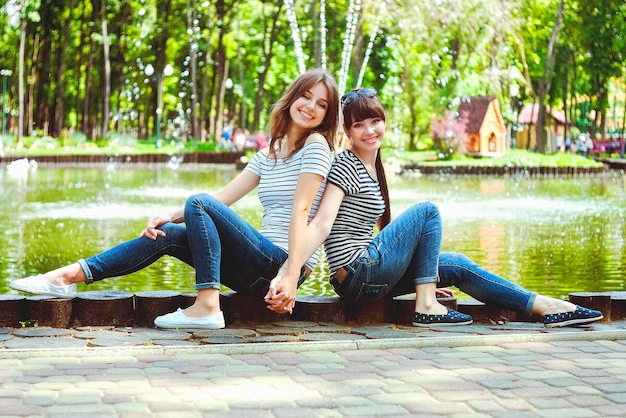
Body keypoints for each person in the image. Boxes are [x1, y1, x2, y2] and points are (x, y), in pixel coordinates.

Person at [10, 68, 341, 330]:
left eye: (321, 104)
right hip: (256, 270)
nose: (310, 107)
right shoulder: (271, 151)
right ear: (292, 98)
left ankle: (208, 305)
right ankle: (66, 278)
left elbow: (302, 212)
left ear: (327, 114)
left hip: (281, 265)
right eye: (306, 97)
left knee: (197, 202)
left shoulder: (316, 146)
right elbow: (224, 197)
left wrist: (290, 275)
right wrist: (168, 215)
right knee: (164, 235)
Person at [266, 87, 603, 329]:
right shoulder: (345, 164)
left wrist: (421, 274)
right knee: (427, 210)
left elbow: (392, 240)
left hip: (366, 275)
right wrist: (289, 272)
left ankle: (543, 306)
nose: (369, 130)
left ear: (384, 121)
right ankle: (427, 306)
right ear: (348, 132)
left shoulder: (373, 167)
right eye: (358, 125)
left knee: (455, 265)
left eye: (374, 121)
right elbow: (322, 223)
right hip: (356, 273)